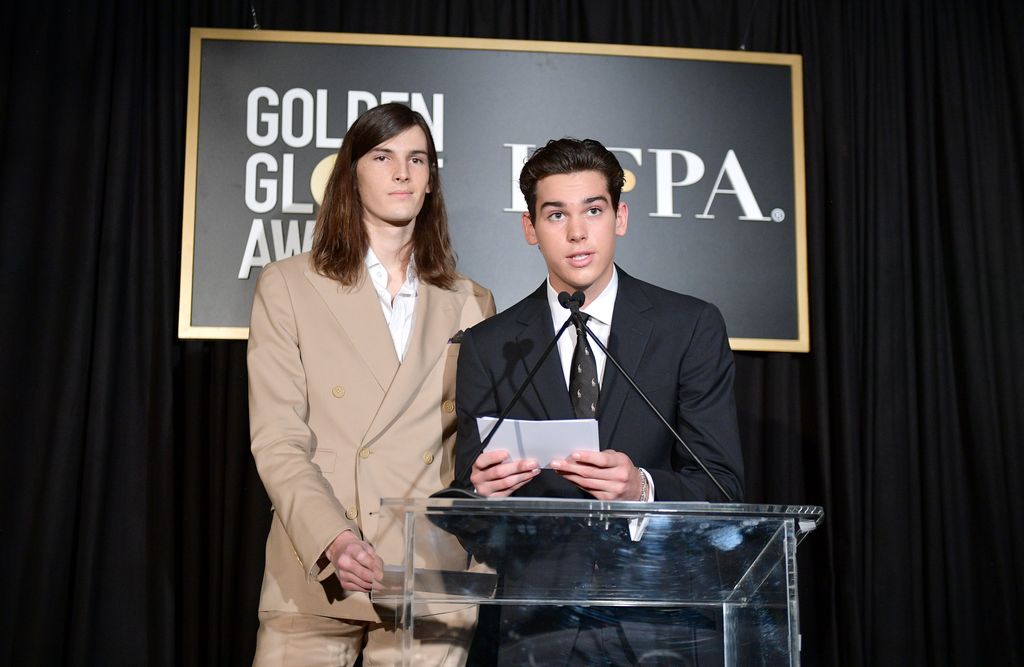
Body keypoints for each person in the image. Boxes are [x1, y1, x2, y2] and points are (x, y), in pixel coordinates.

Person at [453, 138, 744, 664]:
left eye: (593, 210)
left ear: (620, 217)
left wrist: (642, 489)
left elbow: (722, 489)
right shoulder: (490, 346)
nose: (577, 232)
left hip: (659, 623)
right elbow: (468, 514)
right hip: (535, 630)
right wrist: (481, 496)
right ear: (529, 228)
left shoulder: (689, 327)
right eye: (555, 215)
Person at [247, 102, 495, 666]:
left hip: (429, 570)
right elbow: (278, 439)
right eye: (383, 157)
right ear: (351, 173)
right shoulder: (288, 286)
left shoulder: (471, 301)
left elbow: (477, 446)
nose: (402, 173)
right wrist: (331, 537)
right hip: (316, 564)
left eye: (417, 159)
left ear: (431, 180)